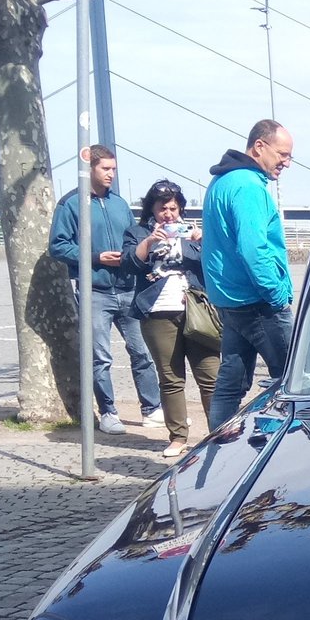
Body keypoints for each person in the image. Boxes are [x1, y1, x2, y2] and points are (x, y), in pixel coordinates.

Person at [49, 145, 161, 435]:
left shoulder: (120, 204)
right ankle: (108, 412)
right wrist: (95, 257)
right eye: (106, 169)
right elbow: (58, 246)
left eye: (114, 169)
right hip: (95, 292)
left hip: (128, 289)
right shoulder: (70, 204)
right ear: (90, 169)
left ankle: (152, 409)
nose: (111, 174)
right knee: (101, 357)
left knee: (143, 352)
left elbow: (134, 240)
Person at [203, 119, 295, 431]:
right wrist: (278, 296)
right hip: (258, 301)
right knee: (293, 380)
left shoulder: (222, 181)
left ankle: (218, 448)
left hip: (231, 300)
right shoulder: (248, 187)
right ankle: (283, 444)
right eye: (282, 154)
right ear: (259, 146)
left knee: (230, 384)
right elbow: (253, 249)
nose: (286, 162)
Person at [122, 180, 217, 458]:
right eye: (162, 208)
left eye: (173, 208)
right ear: (151, 208)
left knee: (211, 376)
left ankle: (219, 433)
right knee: (171, 378)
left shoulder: (193, 233)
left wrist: (204, 241)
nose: (168, 214)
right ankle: (178, 437)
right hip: (157, 312)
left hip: (198, 311)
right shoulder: (138, 232)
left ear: (181, 209)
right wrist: (150, 241)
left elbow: (218, 264)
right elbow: (129, 264)